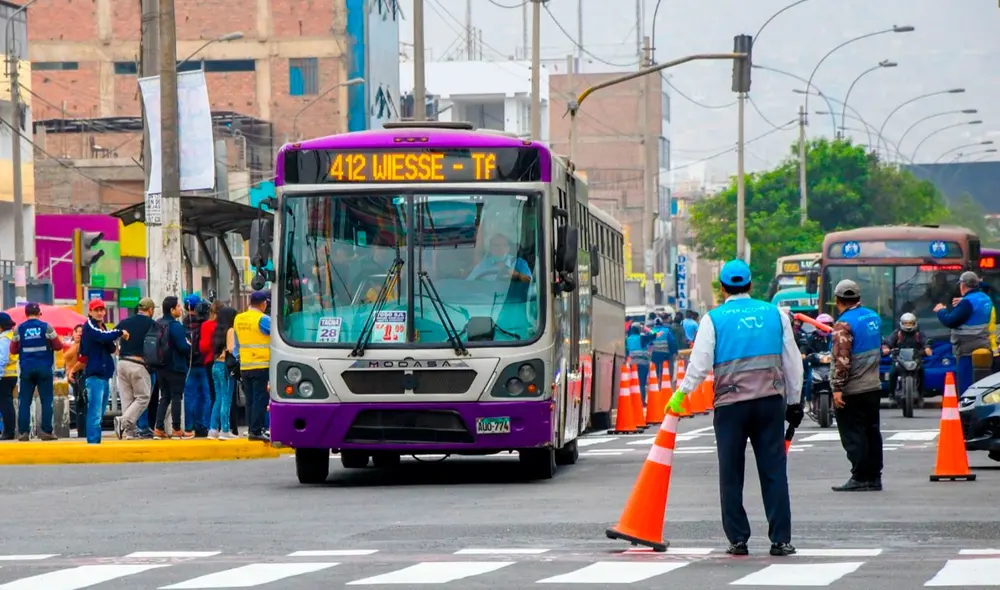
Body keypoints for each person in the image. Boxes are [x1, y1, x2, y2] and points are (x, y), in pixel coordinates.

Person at [665, 260, 803, 556]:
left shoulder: (713, 319)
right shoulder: (775, 314)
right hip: (769, 403)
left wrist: (681, 394)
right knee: (774, 472)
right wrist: (794, 402)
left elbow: (699, 365)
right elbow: (792, 361)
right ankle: (781, 539)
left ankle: (738, 539)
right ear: (750, 285)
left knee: (731, 473)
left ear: (722, 287)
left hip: (730, 408)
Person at [830, 279, 884, 492]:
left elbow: (843, 359)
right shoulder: (873, 316)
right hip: (873, 385)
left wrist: (837, 388)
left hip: (853, 389)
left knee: (854, 434)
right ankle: (874, 477)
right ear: (858, 298)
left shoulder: (843, 324)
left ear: (837, 300)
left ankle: (860, 477)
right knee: (872, 432)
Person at [9, 302, 64, 441]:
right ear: (39, 313)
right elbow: (58, 346)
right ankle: (46, 431)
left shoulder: (19, 329)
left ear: (26, 314)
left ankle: (23, 433)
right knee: (46, 400)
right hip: (44, 369)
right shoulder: (47, 327)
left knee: (24, 401)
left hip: (26, 369)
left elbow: (13, 350)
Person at [935, 271, 994, 396]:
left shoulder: (967, 302)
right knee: (982, 382)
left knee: (966, 385)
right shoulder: (985, 298)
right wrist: (963, 302)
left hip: (966, 348)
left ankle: (966, 410)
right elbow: (975, 308)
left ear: (962, 285)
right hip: (984, 345)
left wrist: (941, 311)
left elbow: (950, 321)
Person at [80, 299, 128, 444]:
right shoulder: (89, 326)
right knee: (94, 414)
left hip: (104, 374)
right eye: (96, 310)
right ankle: (93, 442)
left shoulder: (103, 327)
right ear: (90, 312)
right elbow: (101, 336)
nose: (100, 313)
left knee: (99, 414)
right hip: (94, 375)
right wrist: (119, 332)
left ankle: (96, 442)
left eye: (102, 310)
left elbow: (111, 347)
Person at [114, 298, 156, 440]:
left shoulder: (125, 322)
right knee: (143, 397)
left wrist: (118, 351)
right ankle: (123, 422)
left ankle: (129, 433)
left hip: (122, 364)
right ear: (150, 310)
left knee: (127, 399)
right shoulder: (152, 324)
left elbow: (112, 336)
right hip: (138, 364)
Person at [153, 296, 193, 439]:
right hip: (175, 366)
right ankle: (177, 429)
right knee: (176, 397)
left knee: (164, 397)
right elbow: (183, 347)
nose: (180, 309)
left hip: (160, 366)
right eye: (178, 307)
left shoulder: (157, 323)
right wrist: (189, 345)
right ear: (172, 310)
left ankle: (158, 428)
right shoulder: (175, 326)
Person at [235, 290, 272, 442]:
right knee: (260, 399)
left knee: (250, 400)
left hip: (245, 365)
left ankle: (252, 429)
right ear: (264, 304)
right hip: (261, 365)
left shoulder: (238, 319)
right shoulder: (263, 319)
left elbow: (237, 344)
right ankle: (257, 430)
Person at [881, 312, 933, 400]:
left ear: (915, 323)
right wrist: (886, 348)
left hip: (915, 359)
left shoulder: (919, 334)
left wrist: (927, 348)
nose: (908, 325)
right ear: (901, 323)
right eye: (906, 323)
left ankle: (920, 395)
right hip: (899, 359)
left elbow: (925, 341)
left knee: (922, 372)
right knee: (892, 373)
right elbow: (888, 342)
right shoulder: (897, 334)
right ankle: (892, 394)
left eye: (910, 323)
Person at [183, 295, 212, 437]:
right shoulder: (205, 324)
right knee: (206, 396)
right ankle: (203, 426)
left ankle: (189, 427)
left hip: (188, 365)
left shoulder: (183, 325)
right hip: (204, 364)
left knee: (189, 397)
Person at [209, 307, 239, 440]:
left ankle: (213, 429)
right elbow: (232, 349)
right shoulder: (231, 330)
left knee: (218, 398)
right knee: (227, 398)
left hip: (215, 365)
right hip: (226, 366)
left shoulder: (217, 330)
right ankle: (225, 430)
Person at [466, 233, 532, 282]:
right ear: (490, 247)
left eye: (504, 245)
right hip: (487, 297)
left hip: (512, 298)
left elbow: (530, 282)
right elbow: (469, 283)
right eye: (496, 245)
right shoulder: (484, 264)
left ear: (508, 248)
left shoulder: (519, 263)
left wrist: (517, 275)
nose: (501, 249)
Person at [64, 324, 87, 438]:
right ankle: (81, 431)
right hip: (73, 377)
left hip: (81, 375)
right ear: (73, 333)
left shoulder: (84, 346)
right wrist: (69, 372)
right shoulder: (72, 346)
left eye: (81, 331)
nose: (79, 333)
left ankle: (84, 431)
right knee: (79, 406)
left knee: (83, 405)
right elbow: (67, 362)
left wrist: (72, 370)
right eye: (77, 331)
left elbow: (83, 361)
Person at [625, 323, 655, 402]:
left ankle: (634, 400)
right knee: (642, 383)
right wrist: (647, 329)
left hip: (632, 364)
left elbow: (626, 351)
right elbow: (654, 334)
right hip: (643, 363)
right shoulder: (642, 338)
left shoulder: (628, 339)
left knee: (634, 382)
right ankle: (641, 401)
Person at [0, 312, 17, 439]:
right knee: (7, 404)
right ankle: (8, 431)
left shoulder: (4, 339)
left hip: (5, 376)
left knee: (5, 405)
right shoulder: (12, 336)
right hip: (11, 374)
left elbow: (2, 359)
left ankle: (8, 432)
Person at [650, 318, 678, 388]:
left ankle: (657, 383)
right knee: (666, 370)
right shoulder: (666, 331)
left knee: (656, 370)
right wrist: (674, 352)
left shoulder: (652, 331)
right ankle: (665, 382)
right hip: (665, 354)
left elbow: (649, 343)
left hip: (655, 354)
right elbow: (672, 342)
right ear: (662, 323)